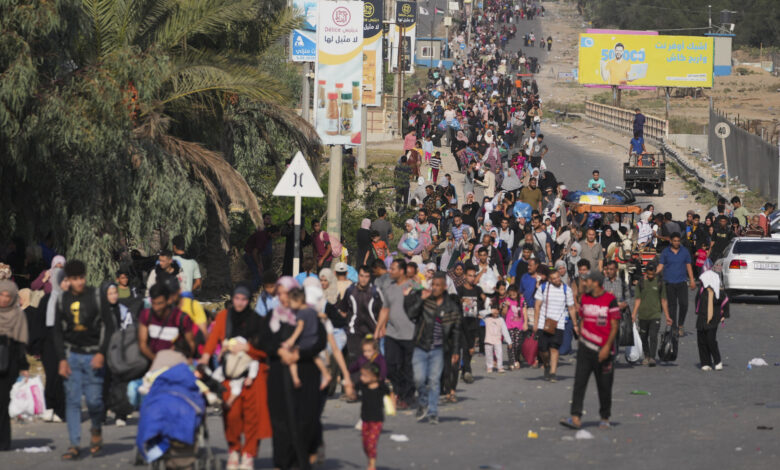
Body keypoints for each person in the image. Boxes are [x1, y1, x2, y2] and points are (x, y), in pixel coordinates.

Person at [257, 276, 327, 469]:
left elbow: (321, 341)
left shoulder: (306, 313)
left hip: (305, 372)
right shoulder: (272, 315)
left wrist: (299, 354)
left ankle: (303, 461)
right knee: (280, 423)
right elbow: (263, 340)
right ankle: (282, 463)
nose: (282, 297)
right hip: (279, 374)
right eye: (278, 294)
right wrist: (279, 351)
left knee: (306, 420)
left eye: (285, 293)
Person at [200, 284, 271, 470]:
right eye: (237, 298)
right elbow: (212, 340)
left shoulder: (257, 320)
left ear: (249, 301)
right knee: (231, 416)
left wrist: (248, 348)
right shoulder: (224, 317)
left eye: (244, 299)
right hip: (229, 373)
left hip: (253, 376)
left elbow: (266, 349)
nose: (239, 303)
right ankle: (234, 450)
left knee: (252, 418)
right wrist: (205, 359)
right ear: (232, 299)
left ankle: (248, 454)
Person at [53, 260, 110, 460]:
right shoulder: (62, 300)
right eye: (75, 279)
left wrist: (101, 353)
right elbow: (58, 332)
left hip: (93, 354)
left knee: (94, 401)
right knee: (73, 400)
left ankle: (96, 429)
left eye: (81, 278)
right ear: (67, 280)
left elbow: (108, 326)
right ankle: (74, 444)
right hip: (72, 356)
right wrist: (61, 359)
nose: (79, 282)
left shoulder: (95, 296)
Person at [562, 271, 620, 430]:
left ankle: (604, 417)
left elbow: (615, 326)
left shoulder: (610, 300)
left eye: (587, 281)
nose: (585, 283)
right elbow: (583, 319)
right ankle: (575, 416)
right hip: (585, 350)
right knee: (579, 383)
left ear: (596, 283)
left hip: (604, 350)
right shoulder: (585, 299)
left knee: (604, 385)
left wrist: (607, 347)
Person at [404, 272, 461, 425]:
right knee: (419, 379)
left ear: (444, 287)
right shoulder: (425, 300)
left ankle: (433, 412)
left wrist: (455, 351)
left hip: (438, 349)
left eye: (437, 285)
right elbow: (410, 314)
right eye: (432, 285)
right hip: (420, 346)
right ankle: (423, 402)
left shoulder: (451, 307)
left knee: (434, 381)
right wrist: (420, 300)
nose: (434, 288)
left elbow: (456, 330)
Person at [374, 259, 416, 408]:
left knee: (407, 368)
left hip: (410, 334)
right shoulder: (389, 288)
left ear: (402, 271)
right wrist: (378, 328)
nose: (389, 271)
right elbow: (385, 309)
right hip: (392, 333)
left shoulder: (414, 286)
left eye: (392, 269)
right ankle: (401, 391)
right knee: (390, 366)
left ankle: (405, 396)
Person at [0, 281, 30, 451]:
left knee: (2, 403)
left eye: (7, 296)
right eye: (1, 295)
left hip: (8, 365)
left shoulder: (17, 315)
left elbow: (20, 344)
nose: (4, 299)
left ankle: (4, 441)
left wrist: (23, 366)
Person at [283, 288, 331, 389]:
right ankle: (326, 374)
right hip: (314, 339)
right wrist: (324, 316)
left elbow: (300, 327)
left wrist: (292, 339)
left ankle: (295, 378)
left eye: (291, 302)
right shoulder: (311, 310)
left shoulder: (301, 313)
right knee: (316, 357)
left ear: (298, 301)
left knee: (292, 358)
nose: (290, 305)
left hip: (305, 341)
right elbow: (320, 315)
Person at [534, 271, 575, 382]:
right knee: (543, 349)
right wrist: (536, 323)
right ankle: (546, 364)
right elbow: (537, 306)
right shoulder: (543, 288)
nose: (557, 280)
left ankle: (553, 372)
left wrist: (575, 324)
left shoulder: (567, 290)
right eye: (554, 278)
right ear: (550, 280)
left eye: (558, 277)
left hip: (559, 323)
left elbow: (571, 308)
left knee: (554, 348)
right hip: (544, 323)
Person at [138, 284, 196, 361]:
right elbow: (143, 345)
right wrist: (157, 361)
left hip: (176, 362)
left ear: (169, 300)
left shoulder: (181, 318)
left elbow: (191, 344)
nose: (156, 308)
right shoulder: (146, 315)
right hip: (153, 360)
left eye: (159, 303)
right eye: (153, 303)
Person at [632, 262, 672, 366]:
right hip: (643, 315)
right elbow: (637, 299)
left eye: (652, 274)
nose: (650, 276)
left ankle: (653, 357)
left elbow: (663, 300)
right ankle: (646, 355)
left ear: (655, 272)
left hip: (655, 314)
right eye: (649, 274)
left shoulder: (659, 283)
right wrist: (633, 314)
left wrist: (667, 316)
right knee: (643, 337)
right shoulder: (641, 283)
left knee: (653, 336)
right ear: (646, 272)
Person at [657, 233, 696, 337]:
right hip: (669, 283)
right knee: (672, 306)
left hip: (682, 282)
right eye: (674, 241)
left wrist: (692, 280)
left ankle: (680, 325)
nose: (676, 243)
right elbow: (660, 266)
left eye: (678, 241)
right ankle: (674, 327)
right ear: (671, 241)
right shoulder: (665, 252)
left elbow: (688, 266)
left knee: (684, 304)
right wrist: (650, 275)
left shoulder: (685, 252)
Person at [358, 363, 390, 470]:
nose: (362, 378)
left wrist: (392, 405)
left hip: (377, 420)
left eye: (365, 375)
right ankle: (370, 459)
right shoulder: (362, 385)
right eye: (361, 375)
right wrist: (350, 391)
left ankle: (372, 465)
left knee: (371, 443)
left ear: (374, 377)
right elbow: (352, 390)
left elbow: (390, 393)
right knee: (365, 444)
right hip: (365, 419)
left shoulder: (381, 387)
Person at [696, 270, 729, 371]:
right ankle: (705, 362)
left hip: (713, 319)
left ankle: (717, 361)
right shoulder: (702, 291)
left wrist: (724, 315)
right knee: (701, 340)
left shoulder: (718, 292)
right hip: (702, 318)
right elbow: (697, 302)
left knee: (711, 340)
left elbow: (725, 302)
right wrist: (698, 312)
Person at [483, 302, 511, 373]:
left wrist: (509, 341)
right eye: (494, 310)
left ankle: (500, 367)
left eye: (497, 310)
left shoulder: (501, 320)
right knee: (488, 354)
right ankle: (489, 366)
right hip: (488, 340)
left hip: (497, 340)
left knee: (499, 354)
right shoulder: (486, 318)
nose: (495, 311)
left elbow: (505, 331)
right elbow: (480, 313)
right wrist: (490, 310)